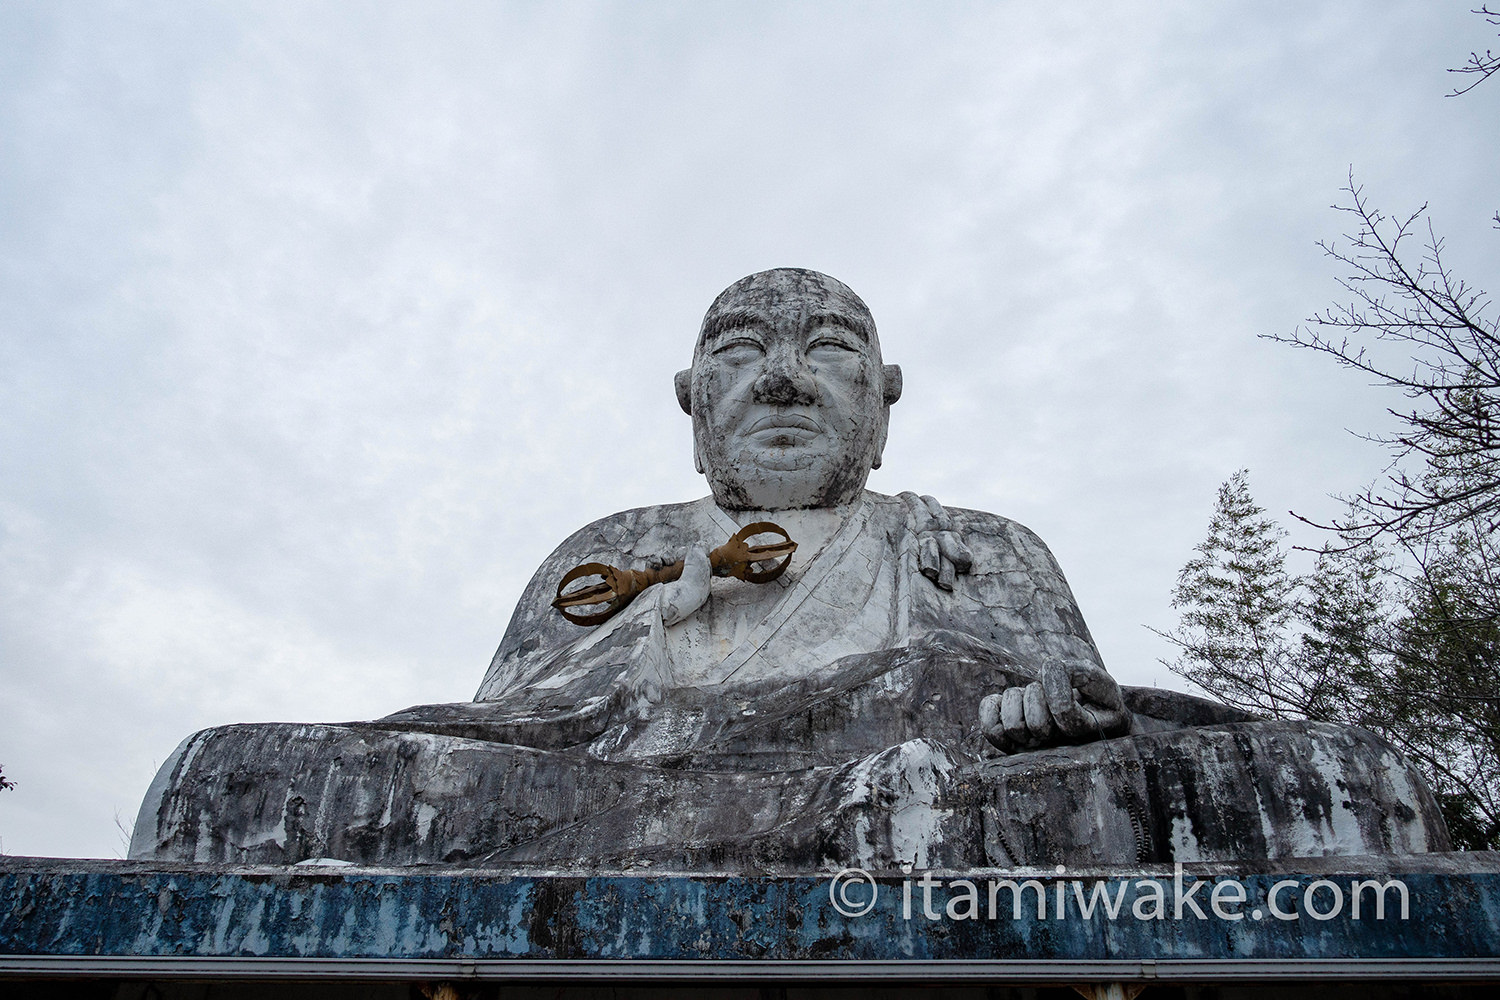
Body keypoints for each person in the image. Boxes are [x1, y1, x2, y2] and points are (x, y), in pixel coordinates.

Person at [130, 269, 1448, 871]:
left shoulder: (974, 546)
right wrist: (663, 665)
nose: (778, 374)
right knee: (231, 774)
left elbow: (1086, 727)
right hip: (647, 799)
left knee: (1355, 780)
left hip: (925, 791)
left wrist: (1033, 704)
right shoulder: (617, 552)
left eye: (823, 348)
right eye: (743, 349)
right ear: (690, 396)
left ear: (883, 395)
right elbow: (520, 730)